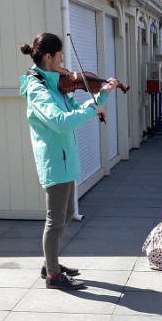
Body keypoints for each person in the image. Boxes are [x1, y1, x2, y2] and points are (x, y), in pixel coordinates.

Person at [19, 33, 116, 290]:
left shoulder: (55, 85)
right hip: (54, 159)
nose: (64, 62)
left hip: (66, 158)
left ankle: (50, 262)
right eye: (60, 55)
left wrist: (103, 95)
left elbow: (76, 109)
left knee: (68, 214)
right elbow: (61, 122)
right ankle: (52, 274)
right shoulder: (38, 89)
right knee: (55, 220)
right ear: (48, 57)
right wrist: (93, 109)